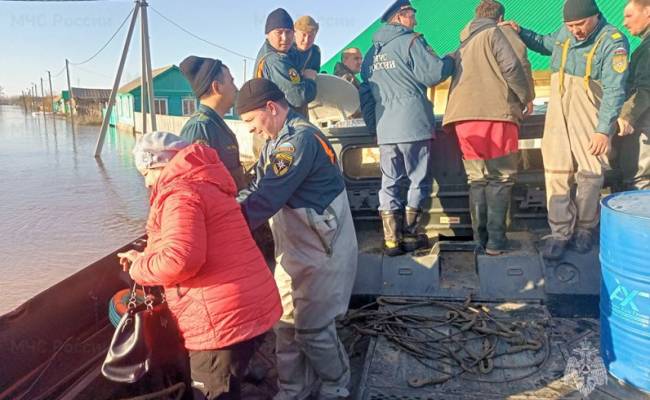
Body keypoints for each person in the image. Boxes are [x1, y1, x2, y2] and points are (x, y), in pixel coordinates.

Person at [119, 132, 282, 400]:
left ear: (159, 164)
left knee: (212, 392)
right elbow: (185, 239)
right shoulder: (204, 183)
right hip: (250, 307)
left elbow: (180, 260)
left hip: (221, 322)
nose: (147, 183)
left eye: (145, 173)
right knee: (229, 381)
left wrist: (138, 269)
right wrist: (145, 256)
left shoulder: (179, 193)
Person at [236, 78, 358, 400]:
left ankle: (337, 385)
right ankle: (293, 388)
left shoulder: (298, 140)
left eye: (250, 120)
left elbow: (265, 200)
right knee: (285, 323)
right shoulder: (275, 141)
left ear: (271, 108)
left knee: (314, 329)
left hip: (321, 249)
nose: (250, 129)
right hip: (293, 248)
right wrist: (227, 208)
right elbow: (256, 189)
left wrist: (222, 228)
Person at [502, 0, 629, 259]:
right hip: (559, 108)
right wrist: (521, 32)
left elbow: (615, 90)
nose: (575, 31)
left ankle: (585, 228)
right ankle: (560, 232)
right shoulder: (565, 32)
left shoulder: (612, 41)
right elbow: (546, 44)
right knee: (556, 169)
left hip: (590, 111)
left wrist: (603, 130)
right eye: (570, 25)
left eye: (580, 24)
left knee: (591, 172)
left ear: (595, 17)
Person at [360, 0, 455, 256]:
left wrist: (374, 126)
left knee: (389, 181)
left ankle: (391, 240)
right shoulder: (412, 42)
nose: (415, 20)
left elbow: (366, 92)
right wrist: (451, 61)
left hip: (385, 129)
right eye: (412, 15)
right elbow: (433, 74)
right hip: (413, 125)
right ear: (400, 17)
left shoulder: (371, 54)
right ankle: (411, 234)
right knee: (417, 179)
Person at [443, 0, 535, 255]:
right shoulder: (499, 33)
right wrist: (526, 97)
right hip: (496, 115)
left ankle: (479, 240)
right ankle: (496, 241)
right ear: (500, 17)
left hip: (463, 119)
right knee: (500, 178)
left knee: (477, 179)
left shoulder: (463, 41)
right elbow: (515, 66)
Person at [179, 56, 247, 190]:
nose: (236, 89)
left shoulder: (214, 123)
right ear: (217, 87)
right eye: (231, 82)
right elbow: (196, 186)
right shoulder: (200, 128)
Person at [255, 8, 317, 118]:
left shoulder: (285, 53)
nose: (284, 38)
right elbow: (297, 98)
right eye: (279, 33)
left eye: (288, 32)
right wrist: (309, 80)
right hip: (280, 129)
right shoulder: (275, 60)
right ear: (268, 34)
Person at [614, 0, 650, 190]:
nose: (624, 23)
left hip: (645, 132)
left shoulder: (648, 49)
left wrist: (626, 115)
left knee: (640, 184)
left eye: (629, 16)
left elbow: (645, 88)